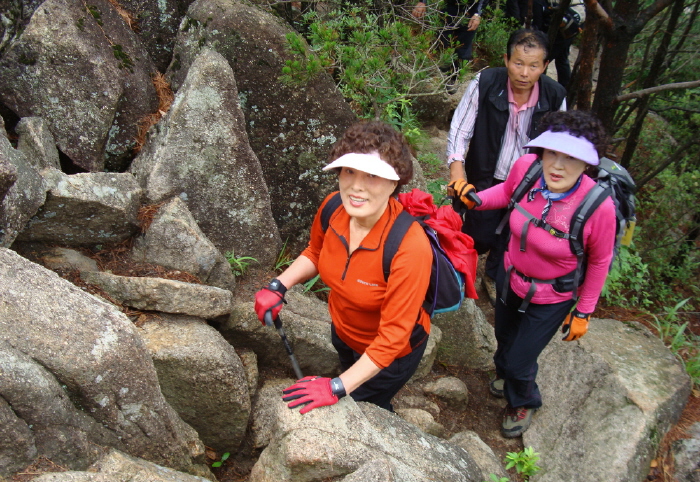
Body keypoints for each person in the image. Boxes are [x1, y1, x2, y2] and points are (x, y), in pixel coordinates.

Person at [452, 110, 615, 438]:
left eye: (571, 158)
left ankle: (523, 399)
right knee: (504, 337)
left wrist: (583, 311)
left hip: (553, 294)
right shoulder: (526, 169)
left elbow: (599, 261)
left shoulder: (598, 207)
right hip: (511, 274)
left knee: (520, 359)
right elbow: (506, 194)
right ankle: (506, 374)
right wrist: (475, 199)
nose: (557, 165)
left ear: (587, 164)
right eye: (552, 153)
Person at [254, 120, 433, 414]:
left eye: (372, 175)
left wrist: (336, 387)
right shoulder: (333, 208)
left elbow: (392, 338)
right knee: (349, 383)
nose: (356, 186)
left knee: (366, 408)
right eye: (349, 171)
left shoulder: (409, 247)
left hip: (392, 356)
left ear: (394, 183)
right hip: (344, 331)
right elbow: (315, 251)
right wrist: (279, 285)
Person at [446, 28, 567, 304]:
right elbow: (461, 129)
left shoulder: (554, 96)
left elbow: (560, 146)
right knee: (478, 231)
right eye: (518, 63)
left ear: (545, 66)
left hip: (531, 183)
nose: (524, 73)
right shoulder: (486, 82)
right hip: (487, 173)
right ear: (506, 59)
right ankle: (459, 275)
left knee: (516, 233)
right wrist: (457, 169)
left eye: (534, 65)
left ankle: (493, 276)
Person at [413, 0, 489, 67]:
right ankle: (445, 77)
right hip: (448, 7)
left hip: (470, 11)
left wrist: (478, 14)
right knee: (443, 45)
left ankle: (458, 78)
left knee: (463, 50)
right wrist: (422, 2)